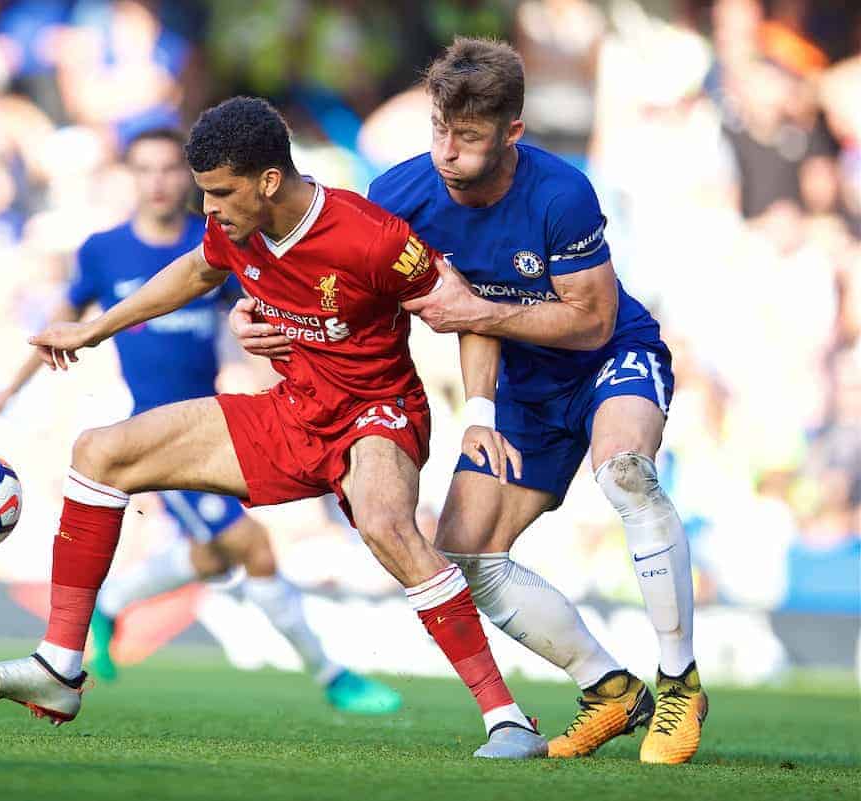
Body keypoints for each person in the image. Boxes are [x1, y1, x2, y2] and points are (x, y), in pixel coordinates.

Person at [0, 96, 547, 759]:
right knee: (99, 451)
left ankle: (507, 716)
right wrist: (93, 328)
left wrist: (479, 416)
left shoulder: (369, 235)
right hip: (293, 411)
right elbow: (196, 271)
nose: (207, 209)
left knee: (383, 523)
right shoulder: (233, 226)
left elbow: (467, 312)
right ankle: (60, 666)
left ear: (267, 180)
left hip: (377, 410)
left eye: (219, 193)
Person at [230, 38, 707, 765]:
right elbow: (334, 287)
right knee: (464, 550)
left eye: (469, 137)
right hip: (519, 386)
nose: (448, 152)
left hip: (610, 360)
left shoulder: (561, 192)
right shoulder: (400, 195)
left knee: (626, 470)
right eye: (438, 131)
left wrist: (478, 313)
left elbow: (592, 320)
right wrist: (263, 314)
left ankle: (680, 683)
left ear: (511, 132)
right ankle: (610, 688)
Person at [0, 127, 401, 714]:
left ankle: (112, 602)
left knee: (215, 554)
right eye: (145, 169)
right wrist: (8, 389)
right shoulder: (104, 251)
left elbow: (266, 306)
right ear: (130, 177)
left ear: (187, 177)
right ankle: (334, 679)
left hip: (213, 425)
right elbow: (61, 324)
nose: (158, 182)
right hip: (157, 429)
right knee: (250, 546)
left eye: (168, 169)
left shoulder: (220, 236)